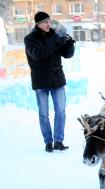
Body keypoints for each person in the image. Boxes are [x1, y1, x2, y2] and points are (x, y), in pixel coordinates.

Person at [24, 12, 75, 152]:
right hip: (40, 81)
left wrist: (70, 43)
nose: (48, 24)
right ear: (38, 24)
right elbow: (39, 55)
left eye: (49, 21)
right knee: (43, 114)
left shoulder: (55, 35)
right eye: (45, 22)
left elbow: (67, 54)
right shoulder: (30, 39)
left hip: (57, 80)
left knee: (61, 111)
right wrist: (56, 41)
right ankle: (48, 142)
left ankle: (59, 141)